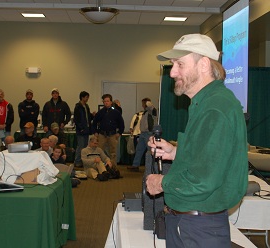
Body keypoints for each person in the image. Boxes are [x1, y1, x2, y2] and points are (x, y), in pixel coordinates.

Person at [145, 34, 248, 247]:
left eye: (180, 64)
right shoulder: (205, 103)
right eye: (173, 65)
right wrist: (175, 152)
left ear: (203, 65)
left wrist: (161, 182)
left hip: (198, 227)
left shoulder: (215, 108)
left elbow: (203, 179)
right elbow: (207, 156)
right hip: (192, 223)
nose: (172, 72)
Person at [92, 94, 124, 168]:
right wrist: (95, 132)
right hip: (102, 135)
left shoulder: (116, 112)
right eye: (105, 101)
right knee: (99, 151)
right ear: (103, 102)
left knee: (113, 153)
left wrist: (119, 133)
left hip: (112, 135)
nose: (106, 103)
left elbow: (121, 123)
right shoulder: (100, 112)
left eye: (108, 101)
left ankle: (113, 168)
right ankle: (100, 167)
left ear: (111, 102)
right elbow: (94, 122)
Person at [128, 98, 157, 171]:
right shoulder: (144, 112)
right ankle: (135, 165)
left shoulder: (151, 111)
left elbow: (151, 107)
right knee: (139, 149)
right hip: (142, 133)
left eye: (143, 103)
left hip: (149, 133)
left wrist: (147, 103)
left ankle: (152, 166)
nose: (142, 105)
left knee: (150, 150)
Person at [73, 91, 94, 168]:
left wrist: (92, 115)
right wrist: (81, 128)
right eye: (86, 97)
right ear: (82, 97)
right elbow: (77, 119)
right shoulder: (78, 106)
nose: (87, 98)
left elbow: (87, 117)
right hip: (81, 130)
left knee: (85, 146)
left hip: (87, 129)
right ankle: (77, 161)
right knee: (81, 146)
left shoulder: (86, 106)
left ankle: (83, 160)